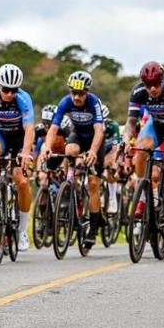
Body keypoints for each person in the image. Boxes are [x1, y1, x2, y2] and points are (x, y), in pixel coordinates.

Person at [122, 61, 164, 243]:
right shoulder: (138, 92)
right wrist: (127, 140)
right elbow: (131, 122)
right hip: (156, 127)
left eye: (156, 84)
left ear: (163, 80)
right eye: (148, 85)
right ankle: (143, 196)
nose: (152, 89)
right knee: (141, 148)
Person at [40, 70, 106, 248]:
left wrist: (92, 151)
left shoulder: (94, 102)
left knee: (93, 183)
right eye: (74, 93)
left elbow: (99, 130)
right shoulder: (65, 102)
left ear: (88, 92)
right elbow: (53, 129)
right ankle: (71, 181)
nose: (77, 97)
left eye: (81, 94)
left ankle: (92, 230)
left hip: (95, 139)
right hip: (78, 135)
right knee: (70, 149)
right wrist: (46, 149)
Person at [0, 64, 36, 252]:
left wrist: (26, 153)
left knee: (22, 182)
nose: (10, 94)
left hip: (19, 140)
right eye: (6, 90)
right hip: (0, 136)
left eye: (14, 90)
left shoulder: (23, 98)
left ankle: (22, 231)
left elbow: (29, 129)